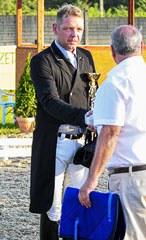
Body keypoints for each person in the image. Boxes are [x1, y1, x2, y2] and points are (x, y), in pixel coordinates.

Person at [78, 24, 146, 240]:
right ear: (142, 46)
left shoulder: (114, 82)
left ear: (112, 51)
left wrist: (91, 180)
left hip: (134, 176)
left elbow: (110, 134)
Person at [29, 4, 96, 240]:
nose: (74, 35)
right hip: (55, 142)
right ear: (56, 28)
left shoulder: (86, 57)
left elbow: (91, 95)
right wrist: (85, 116)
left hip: (81, 142)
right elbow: (49, 101)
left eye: (78, 29)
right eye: (68, 29)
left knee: (77, 201)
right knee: (53, 205)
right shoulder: (42, 61)